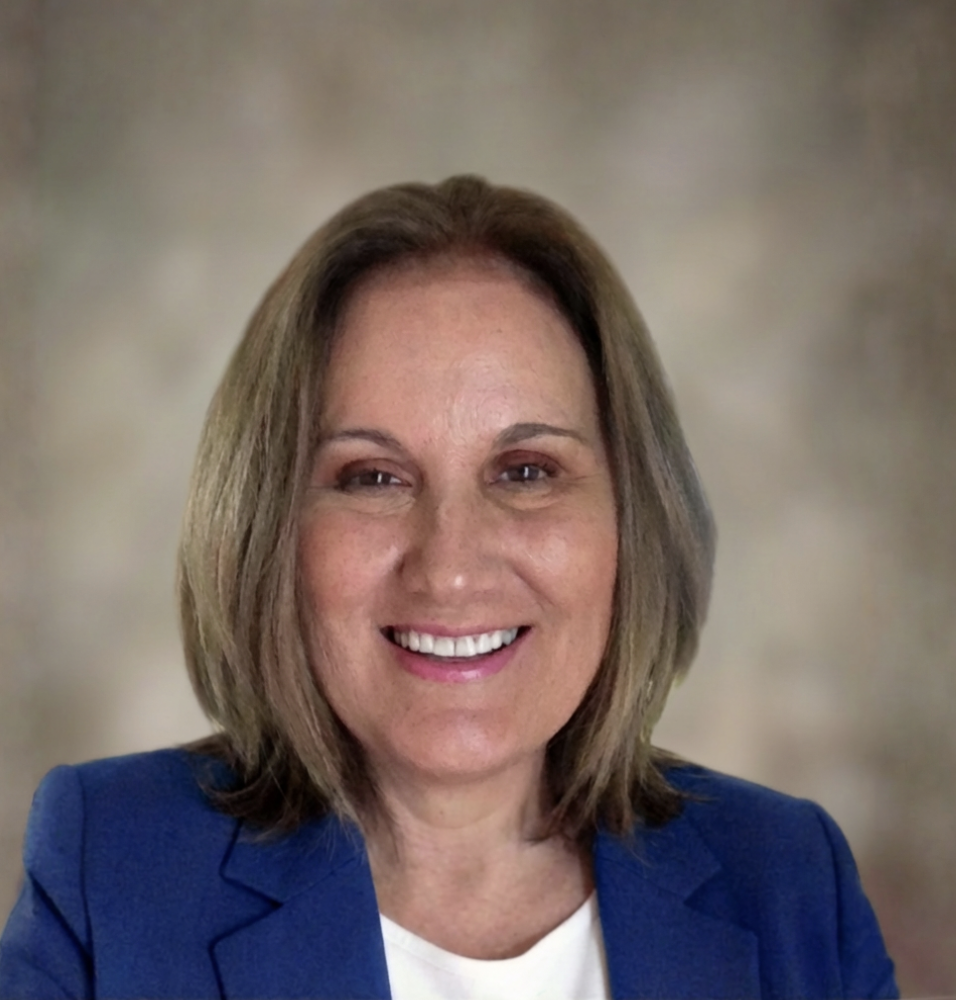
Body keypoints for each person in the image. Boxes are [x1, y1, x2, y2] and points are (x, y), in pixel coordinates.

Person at [0, 175, 896, 1000]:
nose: (452, 565)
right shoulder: (112, 869)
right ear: (267, 522)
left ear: (633, 516)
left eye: (527, 470)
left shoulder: (788, 882)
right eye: (373, 478)